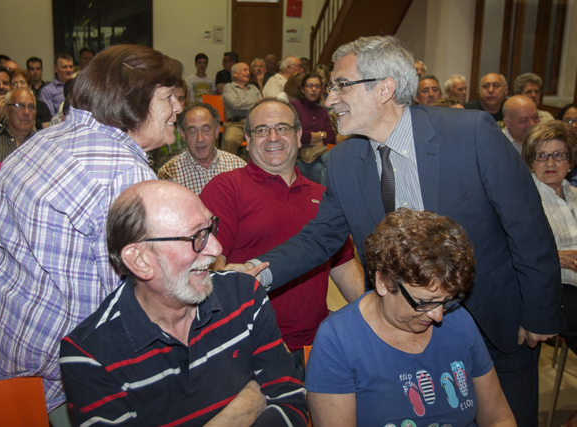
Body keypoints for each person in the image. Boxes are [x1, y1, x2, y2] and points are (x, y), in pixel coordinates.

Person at [227, 36, 563, 427]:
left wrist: (540, 313)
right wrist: (254, 271)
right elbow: (320, 237)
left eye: (340, 85)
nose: (330, 99)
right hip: (403, 333)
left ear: (384, 88)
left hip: (494, 318)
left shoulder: (470, 132)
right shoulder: (345, 161)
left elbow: (527, 227)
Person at [0, 44, 183, 426]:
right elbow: (134, 297)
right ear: (133, 101)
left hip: (3, 325)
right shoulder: (127, 175)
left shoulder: (43, 139)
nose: (178, 108)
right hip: (56, 361)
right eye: (168, 97)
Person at [60, 180, 308, 426]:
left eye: (211, 228)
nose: (216, 248)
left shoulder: (243, 295)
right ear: (140, 261)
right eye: (196, 236)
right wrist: (237, 415)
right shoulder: (89, 355)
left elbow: (292, 405)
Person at [200, 99, 363, 380]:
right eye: (262, 130)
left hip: (316, 345)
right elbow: (209, 269)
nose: (273, 137)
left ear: (299, 137)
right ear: (248, 140)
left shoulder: (324, 196)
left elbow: (343, 266)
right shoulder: (226, 188)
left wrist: (379, 323)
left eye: (282, 128)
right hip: (249, 346)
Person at [306, 208, 515, 427]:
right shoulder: (338, 340)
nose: (438, 315)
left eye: (447, 300)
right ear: (383, 282)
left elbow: (498, 418)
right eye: (424, 302)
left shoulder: (459, 320)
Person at [523, 121, 577, 359]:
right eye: (542, 156)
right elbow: (513, 253)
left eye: (558, 155)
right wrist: (556, 257)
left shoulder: (574, 194)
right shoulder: (524, 200)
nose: (551, 163)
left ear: (570, 160)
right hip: (556, 287)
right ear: (531, 162)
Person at [158, 102, 245, 194]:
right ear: (183, 134)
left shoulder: (238, 167)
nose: (200, 139)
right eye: (192, 131)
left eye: (206, 130)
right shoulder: (168, 174)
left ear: (216, 131)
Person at [291, 73, 336, 185]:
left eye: (317, 86)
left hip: (320, 154)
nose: (314, 89)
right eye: (310, 86)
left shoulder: (322, 111)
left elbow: (332, 138)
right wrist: (322, 135)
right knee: (327, 168)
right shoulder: (294, 107)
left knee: (332, 161)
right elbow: (296, 135)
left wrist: (310, 138)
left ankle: (324, 200)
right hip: (300, 157)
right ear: (302, 89)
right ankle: (326, 200)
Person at [0, 88, 37, 162]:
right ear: (6, 112)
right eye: (19, 106)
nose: (26, 112)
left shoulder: (43, 144)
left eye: (31, 107)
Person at [149, 77, 189, 170]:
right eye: (170, 98)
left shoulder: (190, 122)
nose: (177, 104)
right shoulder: (155, 125)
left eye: (181, 99)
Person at [222, 62, 261, 154]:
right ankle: (228, 167)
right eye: (245, 70)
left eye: (248, 70)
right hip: (236, 124)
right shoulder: (229, 87)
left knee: (264, 140)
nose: (248, 72)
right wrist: (255, 102)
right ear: (235, 73)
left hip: (254, 123)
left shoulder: (254, 88)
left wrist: (256, 103)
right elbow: (235, 104)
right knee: (230, 140)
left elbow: (261, 105)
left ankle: (259, 167)